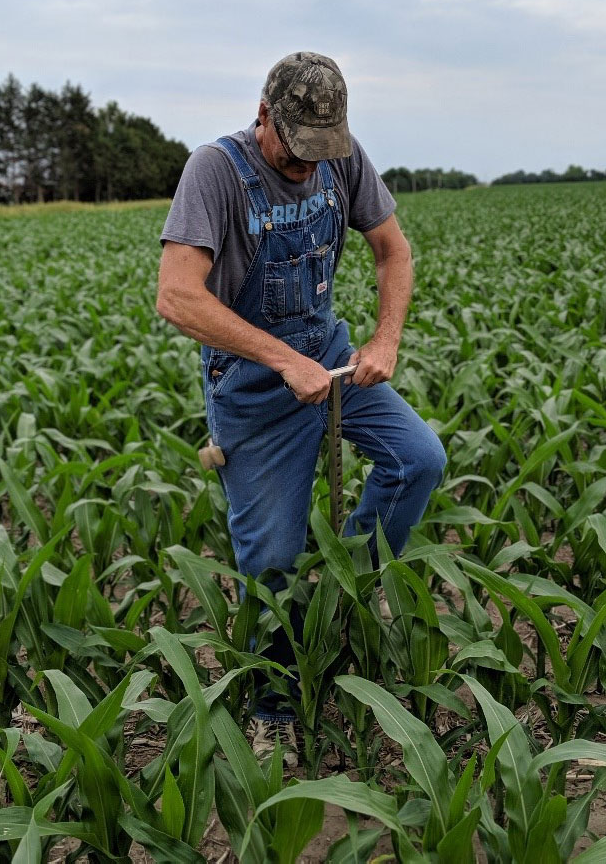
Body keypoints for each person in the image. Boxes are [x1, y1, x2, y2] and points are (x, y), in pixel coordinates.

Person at [156, 51, 446, 766]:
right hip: (255, 387)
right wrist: (282, 359)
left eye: (323, 151)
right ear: (264, 117)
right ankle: (273, 705)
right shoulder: (215, 172)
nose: (309, 165)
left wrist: (384, 336)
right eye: (296, 151)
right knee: (273, 557)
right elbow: (177, 295)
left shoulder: (341, 157)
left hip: (332, 355)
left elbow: (393, 249)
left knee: (418, 460)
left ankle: (345, 591)